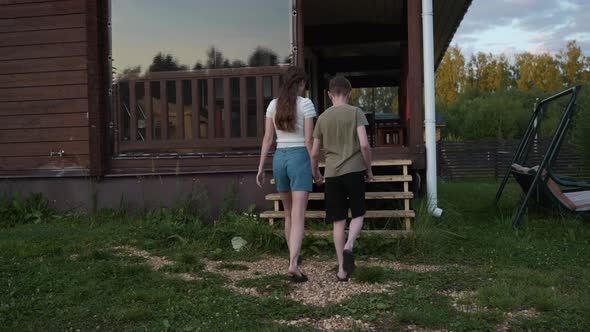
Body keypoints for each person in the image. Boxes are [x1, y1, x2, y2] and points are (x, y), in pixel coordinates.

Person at [256, 66, 320, 283]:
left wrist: (260, 166)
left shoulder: (273, 105)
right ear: (301, 83)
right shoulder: (306, 104)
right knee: (299, 214)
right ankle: (293, 264)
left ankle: (292, 259)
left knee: (288, 214)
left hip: (279, 159)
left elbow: (267, 138)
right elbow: (309, 140)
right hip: (299, 157)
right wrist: (315, 168)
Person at [310, 75, 373, 282]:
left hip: (332, 174)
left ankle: (341, 271)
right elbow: (364, 144)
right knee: (358, 213)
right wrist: (369, 169)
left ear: (329, 95)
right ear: (350, 92)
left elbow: (314, 152)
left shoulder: (322, 118)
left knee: (338, 222)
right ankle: (349, 245)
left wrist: (316, 173)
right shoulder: (356, 112)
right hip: (354, 170)